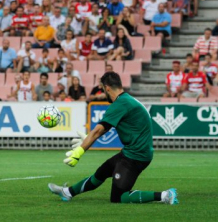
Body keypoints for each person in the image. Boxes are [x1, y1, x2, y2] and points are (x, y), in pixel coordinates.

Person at [49, 72, 179, 205]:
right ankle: (68, 192)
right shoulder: (127, 100)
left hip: (135, 156)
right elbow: (104, 129)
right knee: (100, 174)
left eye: (103, 89)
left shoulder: (120, 104)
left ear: (107, 88)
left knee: (119, 197)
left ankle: (164, 195)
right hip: (132, 152)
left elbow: (98, 131)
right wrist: (88, 138)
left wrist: (79, 152)